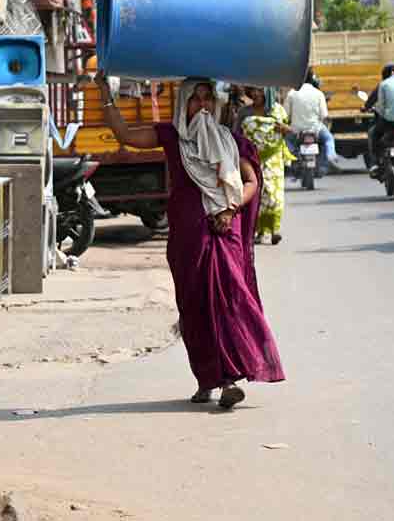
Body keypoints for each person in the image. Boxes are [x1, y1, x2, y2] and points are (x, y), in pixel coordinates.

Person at [96, 72, 285, 409]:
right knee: (194, 307)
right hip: (188, 237)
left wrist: (230, 208)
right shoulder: (171, 136)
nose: (202, 105)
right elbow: (124, 134)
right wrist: (104, 94)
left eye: (207, 97)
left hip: (224, 233)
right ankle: (206, 378)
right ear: (183, 103)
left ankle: (229, 379)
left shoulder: (231, 140)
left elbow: (251, 181)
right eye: (195, 98)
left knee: (229, 302)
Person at [240, 88, 294, 245]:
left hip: (273, 159)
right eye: (254, 90)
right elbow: (237, 134)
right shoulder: (244, 112)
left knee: (274, 196)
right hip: (252, 160)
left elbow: (290, 130)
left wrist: (284, 129)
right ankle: (258, 231)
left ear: (267, 92)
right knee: (256, 195)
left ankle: (275, 229)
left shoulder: (278, 111)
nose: (256, 94)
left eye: (260, 91)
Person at [284, 70, 341, 172]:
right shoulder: (318, 93)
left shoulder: (292, 93)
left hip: (296, 130)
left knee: (285, 140)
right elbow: (324, 115)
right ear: (312, 79)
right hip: (316, 129)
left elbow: (285, 114)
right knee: (329, 138)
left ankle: (292, 155)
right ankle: (331, 155)